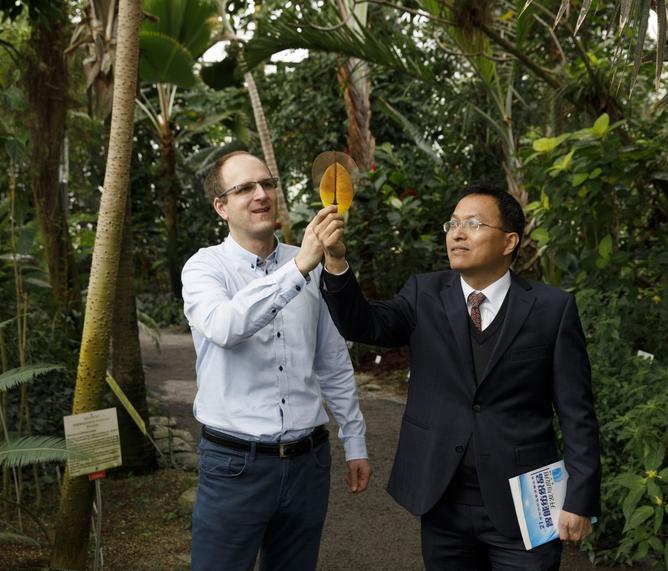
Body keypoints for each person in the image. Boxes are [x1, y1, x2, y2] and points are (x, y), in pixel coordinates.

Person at [319, 184, 600, 570]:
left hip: (524, 507)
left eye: (473, 224)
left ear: (509, 241)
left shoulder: (552, 309)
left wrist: (579, 499)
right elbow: (362, 324)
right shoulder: (424, 293)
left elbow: (577, 414)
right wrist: (335, 262)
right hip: (443, 501)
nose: (457, 232)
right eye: (452, 223)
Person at [182, 151, 372, 571]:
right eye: (244, 188)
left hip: (308, 464)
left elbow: (332, 359)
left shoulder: (314, 265)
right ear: (221, 206)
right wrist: (302, 264)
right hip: (235, 465)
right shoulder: (204, 268)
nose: (261, 194)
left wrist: (354, 439)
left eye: (267, 184)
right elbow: (226, 326)